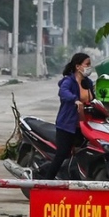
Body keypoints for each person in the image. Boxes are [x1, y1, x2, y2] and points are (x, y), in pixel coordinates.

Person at [41, 52, 95, 180]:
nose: (89, 67)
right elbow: (63, 92)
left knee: (86, 152)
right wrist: (74, 99)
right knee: (62, 154)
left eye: (90, 65)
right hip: (67, 125)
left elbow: (94, 99)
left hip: (84, 126)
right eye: (87, 64)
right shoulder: (68, 81)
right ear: (78, 66)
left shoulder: (88, 83)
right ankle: (46, 182)